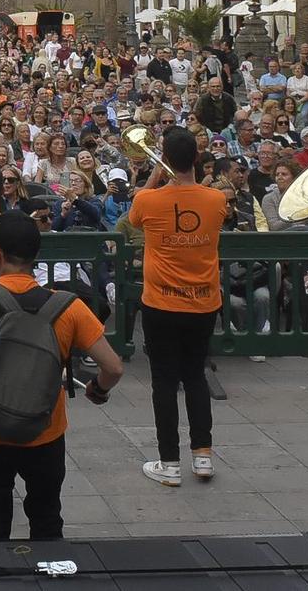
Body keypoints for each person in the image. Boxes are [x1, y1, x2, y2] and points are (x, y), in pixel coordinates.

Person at [0, 208, 124, 540]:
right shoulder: (68, 306)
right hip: (45, 430)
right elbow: (114, 367)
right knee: (47, 517)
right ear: (36, 255)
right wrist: (98, 389)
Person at [125, 127, 226, 486]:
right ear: (197, 159)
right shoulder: (216, 200)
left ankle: (169, 462)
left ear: (164, 159)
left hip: (161, 304)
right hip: (203, 302)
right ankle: (203, 456)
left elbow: (130, 222)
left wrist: (154, 177)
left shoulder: (147, 201)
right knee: (195, 375)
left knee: (164, 382)